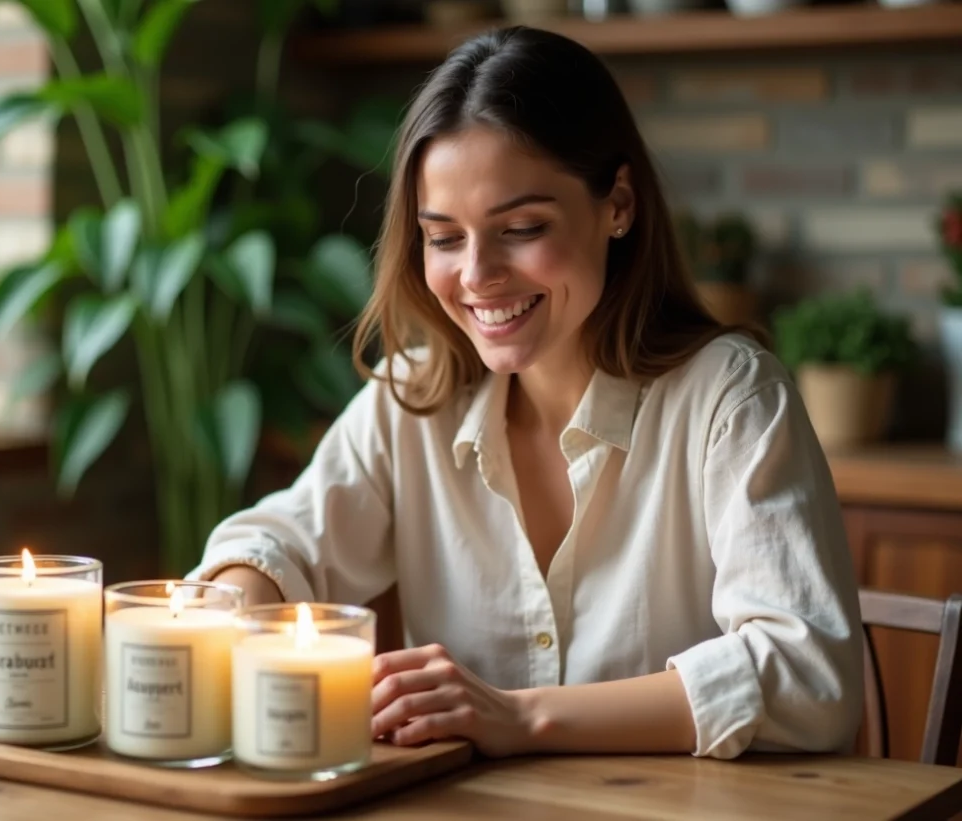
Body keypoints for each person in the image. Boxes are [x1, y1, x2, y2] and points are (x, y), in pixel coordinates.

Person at [188, 25, 863, 761]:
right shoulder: (415, 397)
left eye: (521, 227)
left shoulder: (729, 399)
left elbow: (809, 678)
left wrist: (523, 716)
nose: (477, 275)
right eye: (444, 238)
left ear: (619, 204)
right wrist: (225, 605)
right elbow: (280, 542)